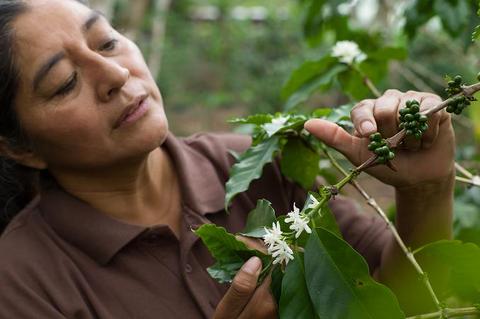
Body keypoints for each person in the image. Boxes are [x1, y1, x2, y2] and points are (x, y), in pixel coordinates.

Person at [0, 0, 455, 318]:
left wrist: (427, 192)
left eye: (106, 43)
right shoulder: (21, 284)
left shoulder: (252, 164)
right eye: (64, 83)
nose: (116, 75)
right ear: (20, 146)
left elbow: (415, 299)